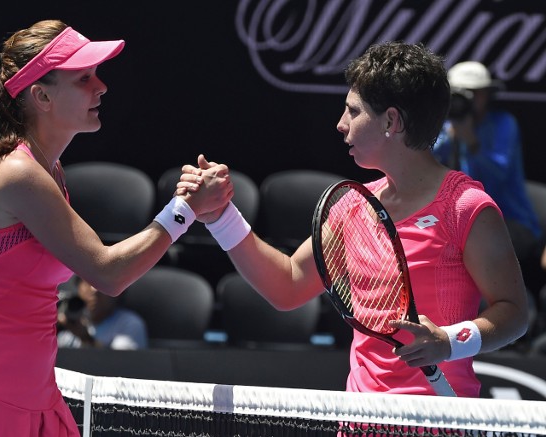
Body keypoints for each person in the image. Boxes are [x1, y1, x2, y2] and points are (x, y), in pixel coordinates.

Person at [0, 20, 232, 436]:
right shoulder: (17, 172)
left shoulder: (49, 171)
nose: (101, 87)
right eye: (84, 78)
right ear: (41, 96)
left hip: (34, 397)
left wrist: (185, 206)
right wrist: (184, 209)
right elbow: (108, 272)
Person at [180, 42, 528, 397]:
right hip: (359, 421)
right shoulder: (352, 205)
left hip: (440, 421)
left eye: (353, 111)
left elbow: (514, 313)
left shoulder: (466, 207)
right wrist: (221, 216)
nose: (340, 124)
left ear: (391, 121)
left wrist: (450, 341)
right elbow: (287, 285)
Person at [432, 61, 546, 299]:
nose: (466, 100)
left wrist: (471, 142)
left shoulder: (504, 124)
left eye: (473, 94)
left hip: (511, 221)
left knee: (466, 249)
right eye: (459, 94)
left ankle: (512, 311)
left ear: (485, 95)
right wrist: (449, 138)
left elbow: (495, 178)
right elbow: (424, 164)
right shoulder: (442, 127)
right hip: (461, 225)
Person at [57, 275, 148, 350]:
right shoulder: (65, 314)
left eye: (103, 284)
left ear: (120, 292)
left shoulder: (129, 324)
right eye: (88, 282)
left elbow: (119, 365)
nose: (94, 290)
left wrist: (86, 338)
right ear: (78, 287)